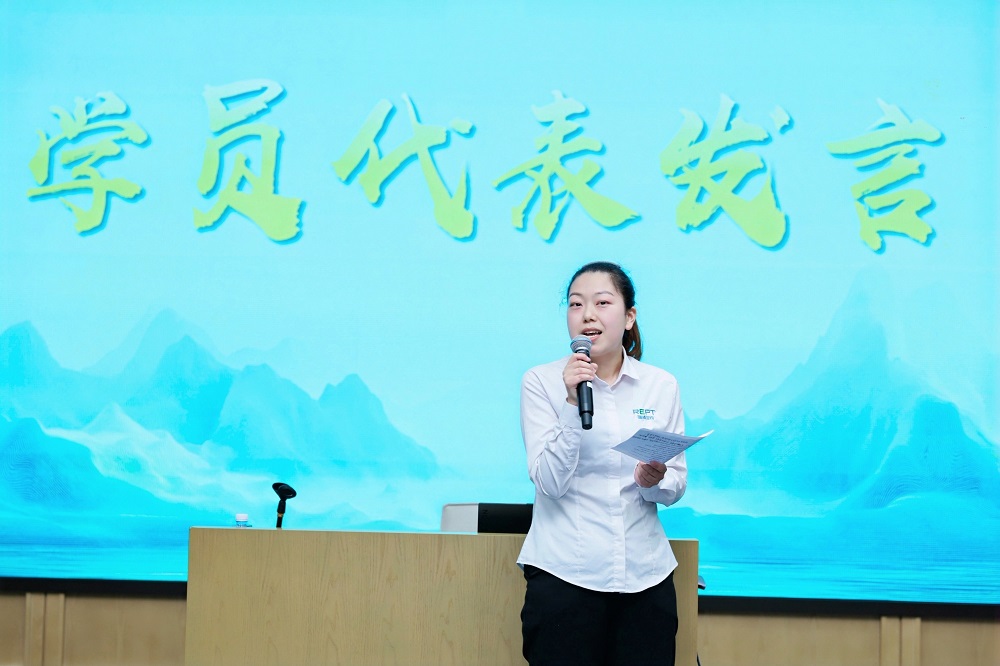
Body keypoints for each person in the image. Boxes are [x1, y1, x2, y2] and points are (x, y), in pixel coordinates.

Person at [517, 261, 687, 666]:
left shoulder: (660, 385)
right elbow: (549, 482)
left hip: (645, 578)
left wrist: (653, 479)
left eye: (602, 303)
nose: (587, 314)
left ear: (629, 317)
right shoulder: (542, 381)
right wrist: (571, 402)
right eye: (576, 304)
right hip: (564, 575)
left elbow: (675, 485)